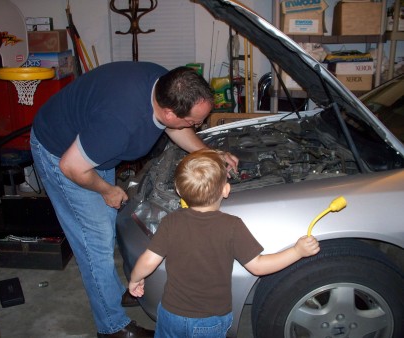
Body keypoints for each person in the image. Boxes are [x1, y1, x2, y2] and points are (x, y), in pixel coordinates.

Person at [30, 61, 238, 338]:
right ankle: (112, 327)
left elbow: (176, 127)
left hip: (90, 145)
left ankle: (115, 293)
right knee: (95, 245)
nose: (197, 126)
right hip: (62, 153)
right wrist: (107, 189)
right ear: (167, 112)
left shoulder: (165, 84)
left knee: (105, 228)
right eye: (195, 122)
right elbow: (72, 167)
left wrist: (210, 154)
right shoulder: (119, 123)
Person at [129, 149, 320, 338]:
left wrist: (135, 279)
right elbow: (259, 266)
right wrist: (297, 251)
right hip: (210, 319)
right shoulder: (232, 226)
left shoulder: (170, 222)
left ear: (178, 191)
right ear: (226, 190)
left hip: (172, 313)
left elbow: (148, 260)